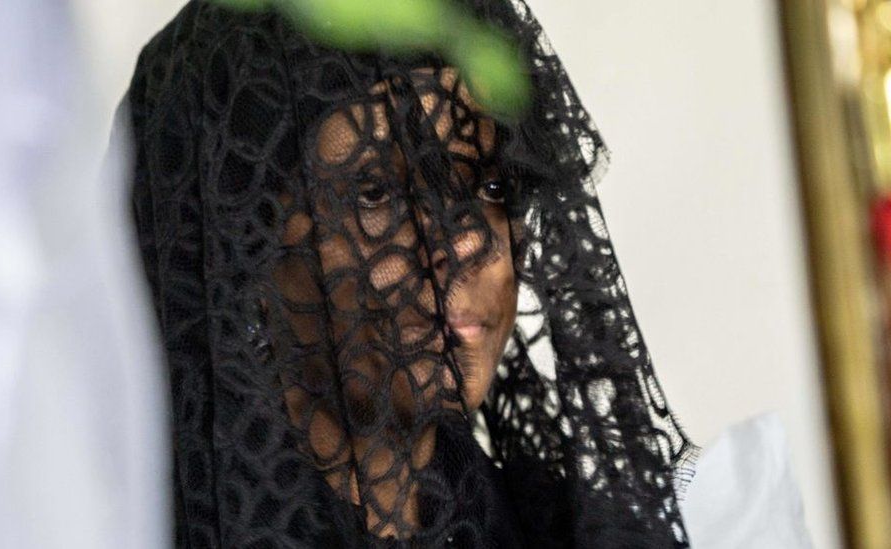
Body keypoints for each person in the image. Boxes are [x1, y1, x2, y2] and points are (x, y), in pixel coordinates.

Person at [125, 0, 695, 546]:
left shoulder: (585, 534)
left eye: (493, 188)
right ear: (244, 238)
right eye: (376, 191)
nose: (470, 239)